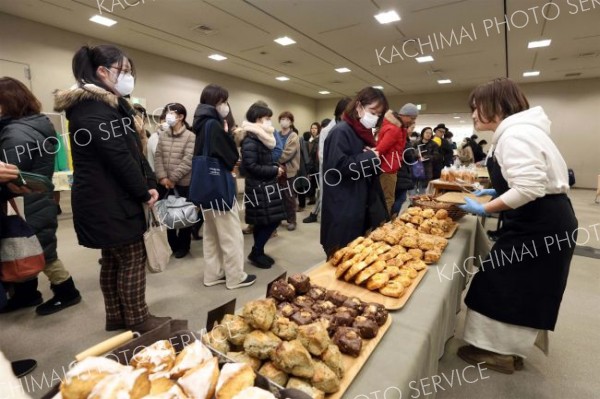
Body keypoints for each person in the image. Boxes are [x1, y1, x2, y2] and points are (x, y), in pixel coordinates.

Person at [457, 77, 578, 374]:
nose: (473, 114)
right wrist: (497, 191)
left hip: (542, 224)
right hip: (542, 218)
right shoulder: (519, 132)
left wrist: (484, 207)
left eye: (477, 107)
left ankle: (499, 353)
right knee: (518, 284)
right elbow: (529, 182)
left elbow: (529, 188)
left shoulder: (516, 135)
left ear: (497, 106)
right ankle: (506, 349)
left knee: (504, 282)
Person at [54, 44, 170, 333]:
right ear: (102, 72)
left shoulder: (99, 106)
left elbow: (132, 152)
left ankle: (116, 315)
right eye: (124, 71)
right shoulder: (93, 109)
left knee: (111, 260)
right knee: (131, 258)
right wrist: (144, 192)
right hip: (109, 200)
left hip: (103, 199)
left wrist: (150, 183)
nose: (129, 77)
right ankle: (138, 318)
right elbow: (120, 157)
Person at [0, 77, 82, 315]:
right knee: (24, 246)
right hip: (37, 198)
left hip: (27, 201)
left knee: (39, 249)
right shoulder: (34, 124)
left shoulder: (17, 133)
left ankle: (67, 291)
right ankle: (27, 293)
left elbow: (10, 176)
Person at [192, 84, 256, 289]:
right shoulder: (214, 125)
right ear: (215, 103)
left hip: (205, 189)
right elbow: (230, 157)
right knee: (231, 234)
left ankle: (213, 274)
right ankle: (235, 277)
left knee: (211, 234)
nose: (226, 106)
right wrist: (230, 136)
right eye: (223, 101)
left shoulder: (200, 123)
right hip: (219, 188)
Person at [321, 87, 389, 258]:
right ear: (359, 106)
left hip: (358, 202)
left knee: (355, 254)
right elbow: (338, 167)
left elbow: (360, 162)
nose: (375, 117)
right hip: (343, 205)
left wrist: (371, 157)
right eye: (373, 111)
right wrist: (369, 157)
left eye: (379, 114)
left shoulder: (361, 132)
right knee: (340, 256)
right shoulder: (341, 131)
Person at [239, 101, 286, 269]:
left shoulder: (261, 138)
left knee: (266, 221)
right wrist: (274, 170)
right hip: (258, 186)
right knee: (269, 221)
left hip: (265, 184)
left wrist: (273, 169)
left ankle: (258, 251)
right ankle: (256, 252)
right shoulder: (250, 140)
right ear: (257, 119)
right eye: (267, 118)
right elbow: (251, 167)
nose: (269, 122)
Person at [154, 102, 195, 258]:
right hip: (164, 183)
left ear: (181, 117)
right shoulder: (163, 135)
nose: (167, 116)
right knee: (166, 214)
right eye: (167, 113)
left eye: (171, 113)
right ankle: (173, 244)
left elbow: (188, 160)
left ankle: (184, 246)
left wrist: (172, 178)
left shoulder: (190, 136)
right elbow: (158, 157)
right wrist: (163, 177)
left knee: (183, 214)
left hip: (183, 183)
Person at [304, 97, 352, 224]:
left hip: (346, 170)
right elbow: (322, 155)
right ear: (340, 113)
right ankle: (323, 218)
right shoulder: (327, 131)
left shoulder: (350, 128)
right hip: (330, 171)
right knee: (328, 197)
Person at [376, 103, 418, 215]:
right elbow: (380, 150)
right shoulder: (394, 129)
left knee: (388, 199)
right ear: (404, 115)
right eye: (412, 118)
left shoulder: (397, 128)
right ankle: (383, 227)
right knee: (388, 200)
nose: (413, 122)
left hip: (389, 168)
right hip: (387, 170)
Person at [276, 111, 300, 231]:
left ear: (291, 122)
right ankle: (280, 217)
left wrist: (274, 158)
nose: (284, 121)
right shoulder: (277, 134)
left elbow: (288, 153)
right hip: (277, 170)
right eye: (282, 119)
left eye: (287, 119)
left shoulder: (293, 136)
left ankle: (292, 220)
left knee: (289, 196)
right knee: (278, 196)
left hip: (288, 170)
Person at [392, 123, 417, 216]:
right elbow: (409, 156)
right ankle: (392, 218)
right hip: (400, 172)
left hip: (399, 171)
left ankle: (392, 217)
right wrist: (415, 155)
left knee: (397, 197)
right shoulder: (403, 140)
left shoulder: (404, 139)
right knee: (400, 198)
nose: (412, 130)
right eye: (411, 128)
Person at [413, 127, 440, 193]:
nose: (428, 134)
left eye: (430, 133)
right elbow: (411, 153)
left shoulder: (434, 144)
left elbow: (436, 156)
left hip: (427, 169)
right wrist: (417, 156)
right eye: (427, 133)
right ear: (423, 133)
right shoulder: (416, 143)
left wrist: (426, 157)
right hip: (416, 167)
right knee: (415, 188)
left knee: (424, 189)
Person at [306, 122, 321, 205]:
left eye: (315, 128)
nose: (313, 130)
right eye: (312, 128)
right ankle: (312, 199)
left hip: (317, 164)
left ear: (318, 129)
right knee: (311, 183)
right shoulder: (309, 140)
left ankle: (320, 199)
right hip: (310, 165)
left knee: (318, 182)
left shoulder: (320, 139)